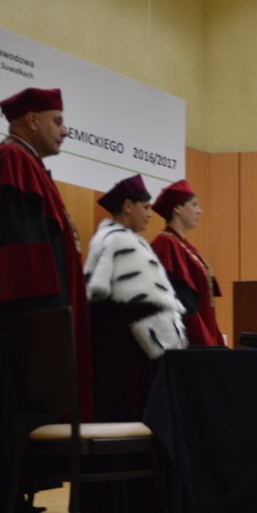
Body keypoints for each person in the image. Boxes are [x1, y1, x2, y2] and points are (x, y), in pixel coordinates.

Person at [0, 87, 89, 513]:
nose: (65, 131)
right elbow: (21, 256)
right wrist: (44, 324)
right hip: (19, 330)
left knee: (18, 429)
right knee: (5, 428)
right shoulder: (10, 163)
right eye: (57, 121)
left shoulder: (25, 163)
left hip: (28, 328)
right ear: (31, 120)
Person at [85, 174, 187, 422]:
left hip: (111, 351)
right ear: (128, 206)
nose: (150, 214)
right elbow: (145, 307)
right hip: (130, 356)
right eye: (146, 207)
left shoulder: (105, 239)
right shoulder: (122, 242)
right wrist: (168, 345)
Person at [150, 180, 225, 346]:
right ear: (177, 208)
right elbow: (183, 302)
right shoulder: (165, 244)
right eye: (194, 205)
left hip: (202, 334)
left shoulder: (184, 245)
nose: (199, 210)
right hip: (189, 340)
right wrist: (204, 340)